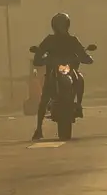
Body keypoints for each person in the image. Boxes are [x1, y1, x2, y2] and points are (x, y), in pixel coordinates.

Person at [32, 12, 91, 140]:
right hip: (54, 71)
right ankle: (38, 128)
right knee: (44, 99)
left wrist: (87, 58)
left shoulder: (72, 40)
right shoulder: (49, 40)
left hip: (70, 70)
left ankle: (79, 104)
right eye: (59, 25)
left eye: (63, 25)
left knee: (80, 79)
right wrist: (42, 59)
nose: (61, 27)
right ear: (54, 26)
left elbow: (83, 54)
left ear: (67, 25)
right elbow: (38, 56)